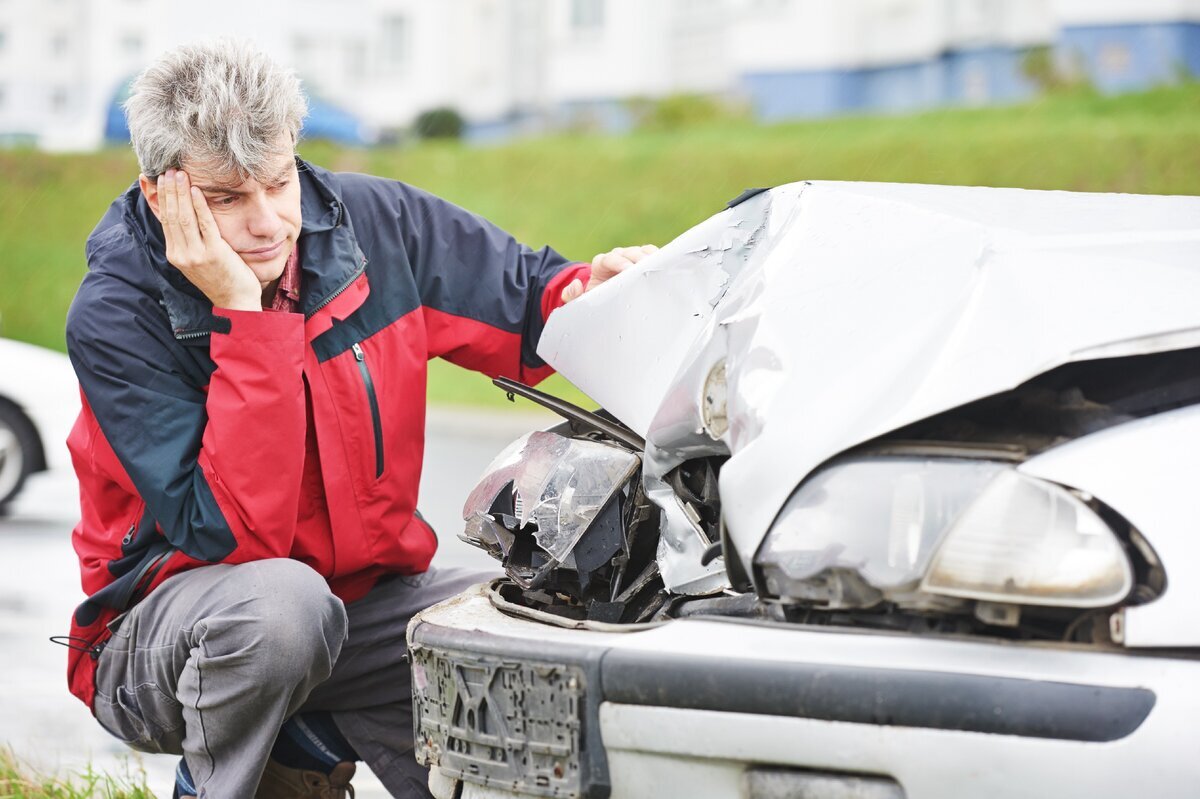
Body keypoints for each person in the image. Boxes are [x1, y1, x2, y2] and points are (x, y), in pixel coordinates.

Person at [58, 40, 656, 799]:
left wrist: (591, 291)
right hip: (164, 639)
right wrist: (245, 314)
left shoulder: (377, 226)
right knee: (284, 609)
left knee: (532, 631)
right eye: (227, 199)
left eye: (279, 183)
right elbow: (235, 536)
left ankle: (310, 738)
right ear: (160, 194)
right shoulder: (117, 315)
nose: (270, 222)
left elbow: (529, 299)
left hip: (358, 615)